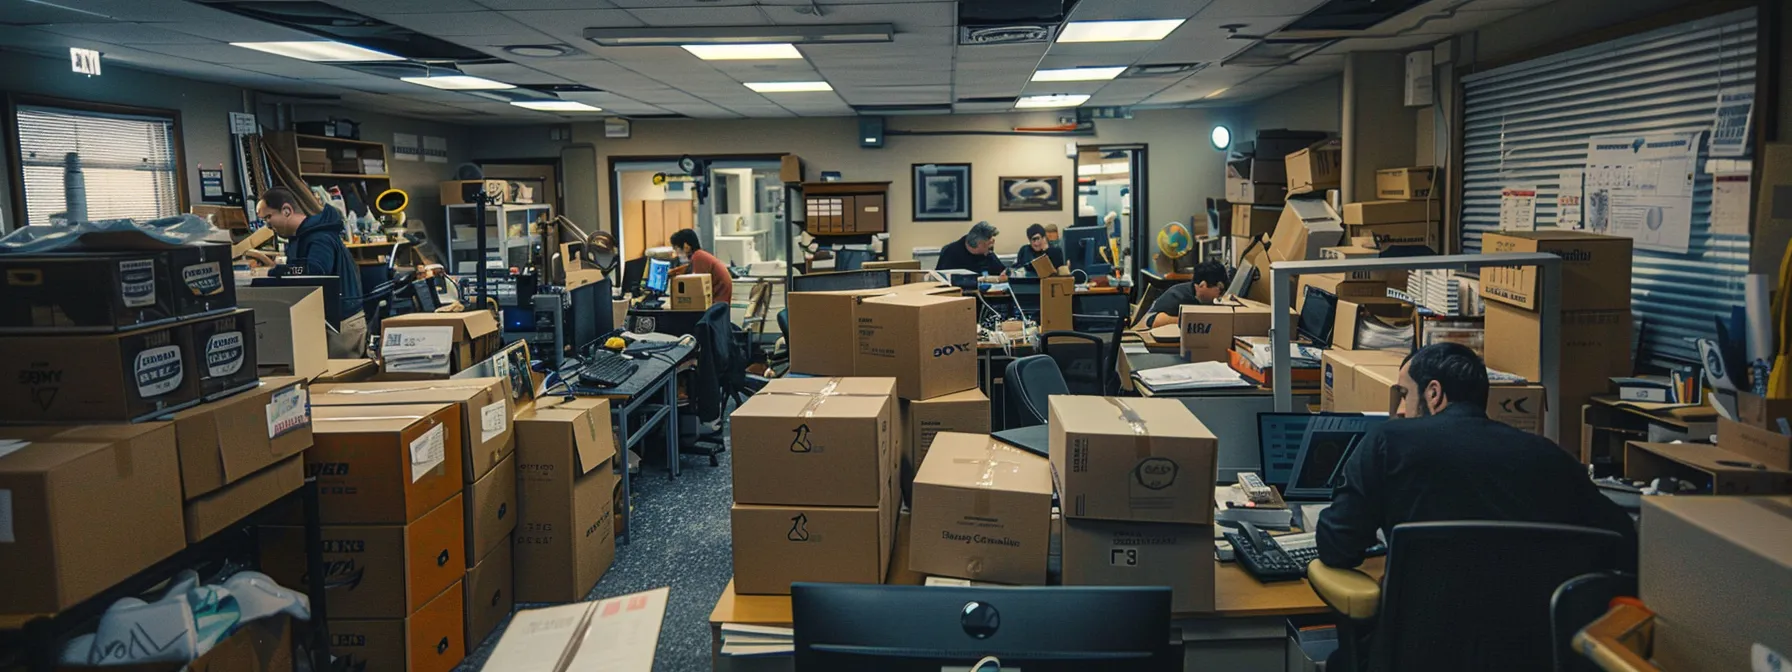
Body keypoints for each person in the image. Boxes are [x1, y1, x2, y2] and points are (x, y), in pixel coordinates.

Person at [1317, 342, 1638, 571]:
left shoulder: (1388, 442)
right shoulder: (1550, 456)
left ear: (1433, 393)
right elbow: (1623, 543)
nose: (1400, 410)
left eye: (1404, 394)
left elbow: (1337, 547)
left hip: (1418, 637)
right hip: (1529, 641)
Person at [247, 187, 366, 357]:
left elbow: (313, 272)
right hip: (327, 319)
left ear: (286, 211)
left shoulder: (319, 237)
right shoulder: (300, 237)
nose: (268, 225)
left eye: (268, 217)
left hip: (341, 325)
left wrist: (276, 272)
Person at [1135, 260, 1228, 328]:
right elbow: (1151, 320)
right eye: (1219, 290)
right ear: (1202, 285)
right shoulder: (1178, 295)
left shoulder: (1201, 297)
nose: (1220, 296)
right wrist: (1193, 322)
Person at [669, 228, 732, 306]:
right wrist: (674, 272)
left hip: (716, 303)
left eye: (676, 248)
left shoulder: (698, 257)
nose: (676, 253)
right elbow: (688, 268)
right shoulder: (699, 255)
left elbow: (696, 287)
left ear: (686, 246)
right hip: (719, 301)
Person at [934, 221, 1007, 279]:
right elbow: (939, 279)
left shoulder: (988, 254)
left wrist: (1005, 274)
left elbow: (1002, 272)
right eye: (989, 243)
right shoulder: (950, 252)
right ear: (979, 244)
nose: (992, 245)